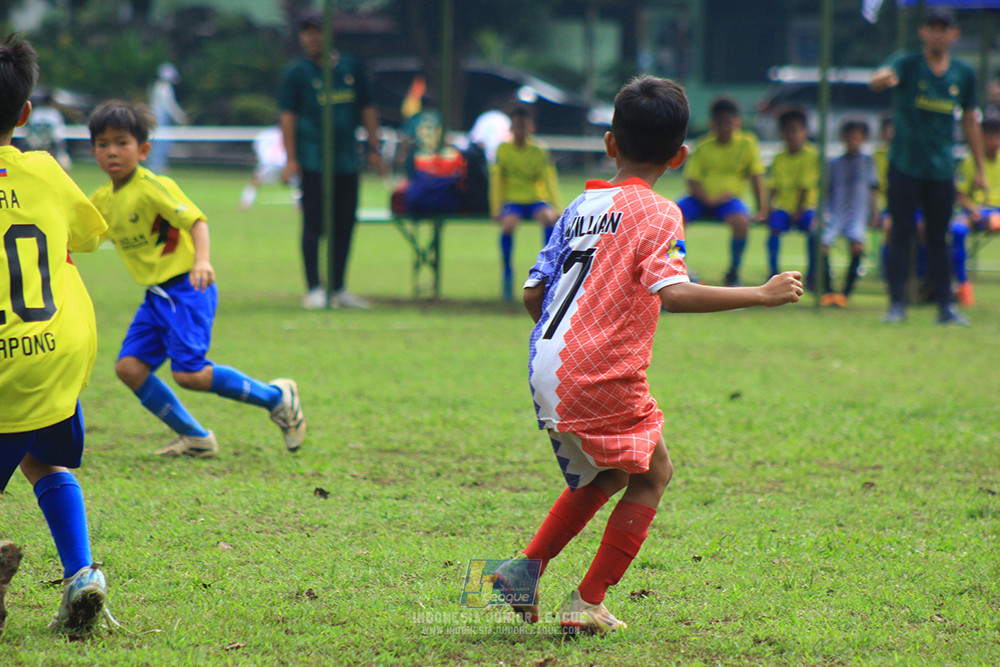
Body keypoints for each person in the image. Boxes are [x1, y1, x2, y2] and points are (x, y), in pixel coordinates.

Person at [490, 75, 803, 635]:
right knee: (655, 472)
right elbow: (674, 293)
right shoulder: (660, 213)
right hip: (598, 367)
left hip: (546, 365)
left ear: (610, 143)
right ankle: (586, 603)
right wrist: (761, 293)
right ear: (681, 157)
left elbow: (533, 294)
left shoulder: (579, 205)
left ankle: (522, 571)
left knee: (606, 477)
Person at [87, 100, 305, 458]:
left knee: (190, 374)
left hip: (187, 288)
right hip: (157, 296)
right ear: (93, 150)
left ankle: (277, 397)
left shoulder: (152, 186)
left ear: (143, 149)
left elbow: (197, 221)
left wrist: (201, 260)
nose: (112, 152)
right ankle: (196, 437)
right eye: (103, 144)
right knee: (129, 368)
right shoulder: (103, 200)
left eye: (122, 142)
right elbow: (82, 235)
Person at [0, 34, 113, 637]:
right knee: (42, 456)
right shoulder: (43, 169)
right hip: (54, 352)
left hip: (3, 368)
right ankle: (82, 576)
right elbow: (90, 235)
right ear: (24, 114)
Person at [870, 7, 984, 325]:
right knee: (899, 234)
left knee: (938, 237)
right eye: (932, 27)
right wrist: (881, 79)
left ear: (954, 34)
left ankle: (946, 307)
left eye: (943, 28)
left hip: (941, 170)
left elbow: (971, 121)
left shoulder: (963, 73)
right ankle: (896, 304)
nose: (938, 33)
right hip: (905, 166)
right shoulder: (906, 64)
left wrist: (981, 168)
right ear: (922, 32)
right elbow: (878, 80)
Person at [278, 11, 384, 310]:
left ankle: (338, 288)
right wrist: (291, 159)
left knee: (345, 223)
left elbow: (368, 107)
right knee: (314, 223)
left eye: (317, 31)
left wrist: (374, 147)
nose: (312, 38)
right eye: (306, 32)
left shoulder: (351, 68)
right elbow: (288, 118)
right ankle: (314, 287)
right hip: (313, 161)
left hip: (346, 161)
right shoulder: (296, 73)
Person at [677, 97, 767, 286]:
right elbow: (692, 179)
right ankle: (677, 266)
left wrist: (762, 209)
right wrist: (707, 199)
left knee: (741, 222)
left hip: (728, 201)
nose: (724, 127)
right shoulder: (703, 146)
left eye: (728, 122)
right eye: (719, 122)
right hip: (700, 199)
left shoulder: (747, 144)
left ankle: (733, 272)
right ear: (712, 123)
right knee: (673, 218)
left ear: (737, 122)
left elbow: (756, 177)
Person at [490, 105, 561, 301]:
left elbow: (549, 178)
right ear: (511, 129)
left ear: (531, 128)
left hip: (534, 198)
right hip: (513, 200)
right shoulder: (503, 149)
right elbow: (497, 179)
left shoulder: (539, 150)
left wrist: (556, 207)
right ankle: (507, 272)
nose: (520, 131)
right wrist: (496, 207)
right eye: (516, 126)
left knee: (548, 219)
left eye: (523, 126)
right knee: (508, 224)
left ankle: (547, 272)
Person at [820, 121, 879, 307]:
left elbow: (873, 188)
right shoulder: (834, 163)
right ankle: (828, 291)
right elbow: (826, 190)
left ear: (864, 138)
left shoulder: (867, 162)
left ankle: (845, 293)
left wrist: (874, 212)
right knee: (823, 246)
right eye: (849, 136)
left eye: (857, 136)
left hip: (857, 213)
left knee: (857, 247)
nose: (853, 140)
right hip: (836, 211)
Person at [765, 108, 819, 285]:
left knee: (814, 229)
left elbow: (806, 187)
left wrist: (799, 209)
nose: (790, 135)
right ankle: (772, 271)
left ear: (805, 132)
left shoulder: (811, 156)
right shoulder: (779, 158)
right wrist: (768, 209)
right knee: (774, 227)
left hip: (806, 208)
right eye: (786, 130)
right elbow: (772, 187)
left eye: (795, 130)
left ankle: (813, 273)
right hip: (784, 208)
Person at [951, 117, 1000, 307]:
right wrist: (974, 210)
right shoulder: (970, 162)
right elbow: (960, 194)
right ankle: (963, 285)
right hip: (977, 211)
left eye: (997, 137)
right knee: (957, 230)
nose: (994, 142)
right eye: (989, 137)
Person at [240, 125, 296, 210]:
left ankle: (245, 203)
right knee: (297, 183)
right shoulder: (289, 132)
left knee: (255, 182)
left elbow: (258, 146)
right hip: (283, 162)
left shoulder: (266, 133)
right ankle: (299, 204)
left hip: (269, 163)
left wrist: (263, 159)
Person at [146, 62, 187, 173]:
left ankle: (157, 164)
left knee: (161, 141)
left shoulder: (157, 86)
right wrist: (180, 117)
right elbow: (169, 105)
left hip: (157, 117)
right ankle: (156, 165)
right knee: (160, 142)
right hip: (160, 118)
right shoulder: (164, 88)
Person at [23, 86, 71, 170]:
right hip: (51, 145)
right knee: (62, 166)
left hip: (35, 144)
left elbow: (29, 131)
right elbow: (58, 135)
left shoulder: (35, 113)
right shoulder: (55, 114)